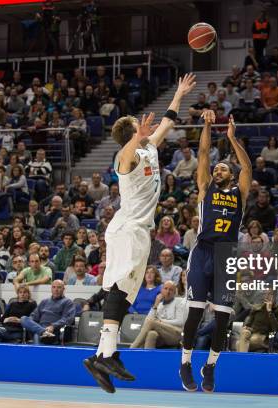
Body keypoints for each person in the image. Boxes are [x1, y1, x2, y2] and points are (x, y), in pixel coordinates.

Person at [84, 73, 196, 394]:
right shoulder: (126, 156)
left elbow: (169, 122)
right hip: (127, 227)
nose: (145, 128)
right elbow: (124, 157)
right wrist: (136, 138)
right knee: (120, 290)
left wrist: (178, 94)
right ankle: (106, 356)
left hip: (138, 230)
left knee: (126, 293)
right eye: (138, 126)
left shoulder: (148, 148)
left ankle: (103, 357)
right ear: (131, 134)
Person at [180, 110, 252, 393]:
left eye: (222, 168)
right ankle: (185, 362)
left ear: (231, 175)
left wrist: (233, 138)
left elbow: (247, 168)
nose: (216, 170)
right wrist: (207, 125)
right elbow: (203, 152)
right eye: (216, 168)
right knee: (195, 314)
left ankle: (209, 366)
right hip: (203, 252)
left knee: (223, 318)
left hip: (227, 256)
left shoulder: (240, 194)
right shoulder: (205, 188)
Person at [129, 281, 187, 349]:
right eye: (165, 288)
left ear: (174, 293)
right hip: (163, 335)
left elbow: (180, 322)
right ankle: (148, 358)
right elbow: (147, 321)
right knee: (151, 334)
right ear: (161, 291)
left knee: (152, 323)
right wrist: (156, 304)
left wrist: (161, 321)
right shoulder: (159, 305)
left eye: (171, 290)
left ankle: (132, 348)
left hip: (176, 334)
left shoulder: (179, 301)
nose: (168, 292)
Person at [20, 279, 75, 344]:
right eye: (54, 287)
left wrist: (53, 326)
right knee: (23, 319)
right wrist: (30, 322)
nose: (56, 290)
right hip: (40, 327)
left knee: (37, 334)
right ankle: (44, 332)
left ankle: (43, 334)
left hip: (55, 330)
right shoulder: (44, 301)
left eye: (59, 287)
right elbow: (34, 316)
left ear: (63, 289)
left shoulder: (68, 302)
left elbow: (68, 319)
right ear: (51, 289)